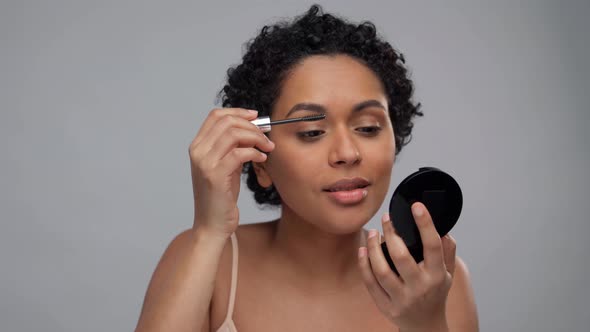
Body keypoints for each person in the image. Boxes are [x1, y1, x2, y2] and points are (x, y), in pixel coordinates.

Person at [135, 5, 478, 332]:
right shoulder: (206, 258)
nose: (347, 153)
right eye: (312, 132)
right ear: (260, 160)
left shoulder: (439, 278)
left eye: (369, 127)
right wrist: (209, 231)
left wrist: (425, 323)